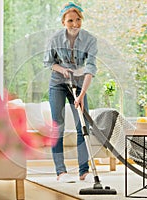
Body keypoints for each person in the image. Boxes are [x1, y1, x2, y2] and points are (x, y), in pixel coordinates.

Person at [44, 2, 97, 183]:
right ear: (63, 22)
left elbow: (90, 69)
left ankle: (84, 171)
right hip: (58, 84)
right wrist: (61, 69)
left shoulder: (90, 40)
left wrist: (81, 95)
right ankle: (61, 172)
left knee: (83, 126)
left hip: (80, 85)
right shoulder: (55, 39)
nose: (75, 24)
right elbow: (49, 63)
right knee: (57, 126)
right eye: (70, 21)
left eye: (78, 20)